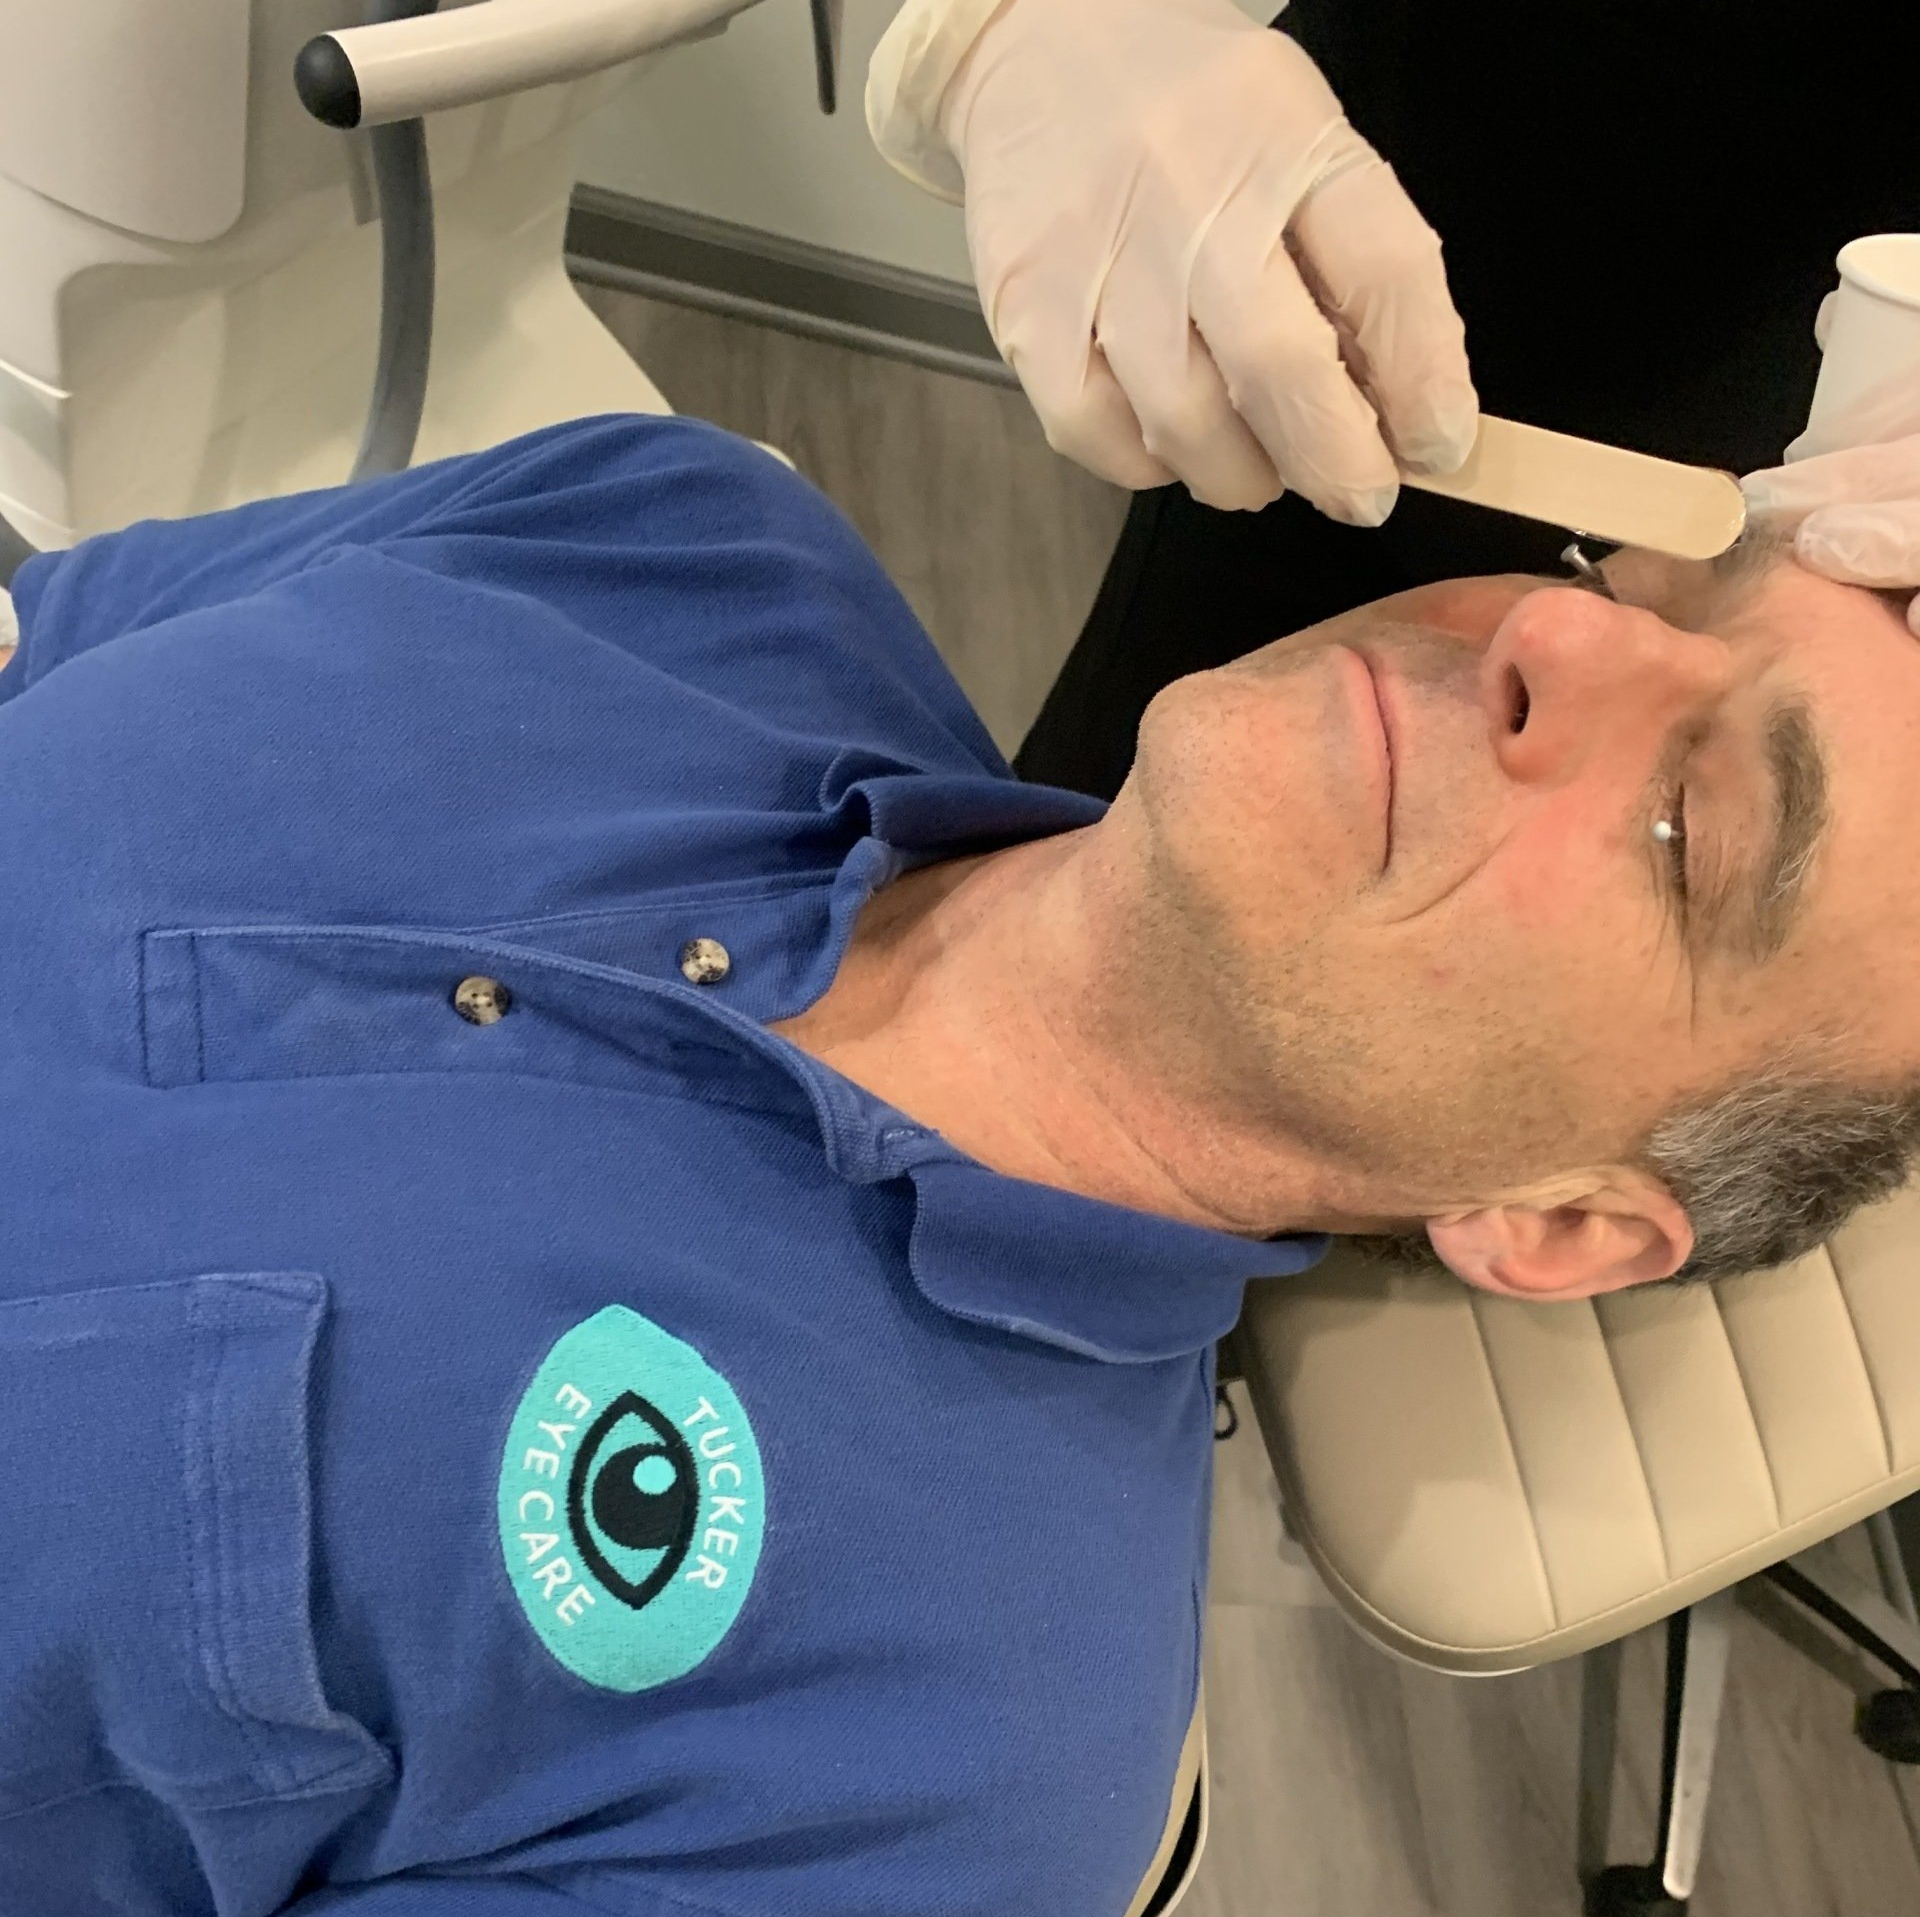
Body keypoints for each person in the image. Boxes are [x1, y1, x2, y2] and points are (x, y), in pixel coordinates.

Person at [3, 410, 1919, 1917]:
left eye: (1691, 821)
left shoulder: (942, 1779)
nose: (1556, 626)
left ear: (1558, 1219)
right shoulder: (676, 536)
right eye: (1637, 582)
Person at [863, 0, 1920, 796]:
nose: (1556, 636)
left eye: (1688, 841)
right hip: (1345, 293)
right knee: (1107, 814)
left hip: (1787, 478)